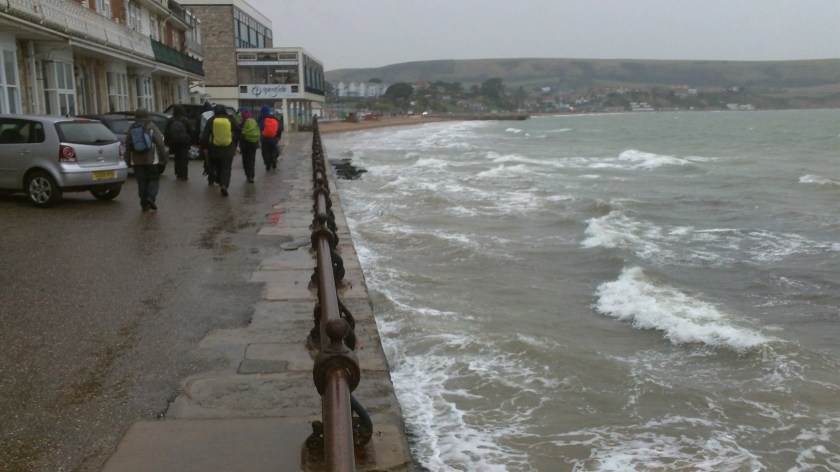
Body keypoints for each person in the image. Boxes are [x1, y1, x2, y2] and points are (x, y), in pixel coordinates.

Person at [125, 108, 167, 211]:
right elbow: (160, 143)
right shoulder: (151, 126)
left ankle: (144, 204)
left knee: (141, 181)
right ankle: (151, 197)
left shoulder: (132, 127)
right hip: (151, 159)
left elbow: (127, 145)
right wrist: (164, 157)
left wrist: (127, 160)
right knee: (153, 179)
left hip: (136, 160)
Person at [200, 104, 240, 196]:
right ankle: (224, 185)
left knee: (217, 166)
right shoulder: (230, 119)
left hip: (214, 149)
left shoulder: (211, 120)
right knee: (226, 168)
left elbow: (205, 135)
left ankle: (217, 180)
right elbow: (238, 130)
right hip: (228, 149)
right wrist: (234, 141)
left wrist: (205, 147)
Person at [163, 105, 193, 180]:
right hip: (184, 142)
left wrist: (167, 142)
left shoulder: (171, 120)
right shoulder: (185, 120)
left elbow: (166, 132)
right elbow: (191, 132)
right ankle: (184, 175)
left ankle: (178, 173)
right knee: (184, 158)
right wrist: (190, 140)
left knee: (177, 158)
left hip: (174, 142)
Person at [257, 105, 282, 172]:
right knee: (273, 150)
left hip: (264, 140)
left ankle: (267, 164)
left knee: (265, 152)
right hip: (273, 139)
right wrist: (278, 137)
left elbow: (258, 128)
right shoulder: (274, 118)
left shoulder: (261, 120)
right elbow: (279, 128)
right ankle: (273, 160)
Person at [239, 109, 260, 183]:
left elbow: (238, 131)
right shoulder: (254, 121)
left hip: (244, 144)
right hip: (253, 143)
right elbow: (258, 130)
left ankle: (248, 175)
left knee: (245, 160)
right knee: (251, 160)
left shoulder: (242, 122)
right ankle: (251, 176)